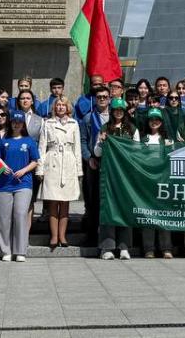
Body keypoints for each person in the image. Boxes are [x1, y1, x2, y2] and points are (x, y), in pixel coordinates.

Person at [38, 96, 80, 250]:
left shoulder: (73, 123)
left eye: (63, 105)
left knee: (65, 202)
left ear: (68, 107)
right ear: (54, 107)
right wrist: (40, 168)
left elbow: (77, 148)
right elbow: (42, 147)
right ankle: (54, 236)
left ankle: (63, 235)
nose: (61, 107)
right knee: (53, 201)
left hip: (68, 162)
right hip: (52, 162)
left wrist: (78, 170)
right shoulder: (48, 123)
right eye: (58, 105)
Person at [94, 99, 135, 260]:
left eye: (121, 110)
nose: (118, 112)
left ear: (125, 112)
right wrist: (101, 141)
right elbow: (97, 152)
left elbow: (138, 151)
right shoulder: (105, 128)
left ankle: (124, 247)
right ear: (112, 111)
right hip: (109, 174)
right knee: (108, 209)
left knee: (125, 209)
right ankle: (107, 247)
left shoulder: (132, 129)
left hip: (126, 175)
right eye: (116, 110)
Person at [0, 111, 40, 262]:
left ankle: (20, 250)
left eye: (19, 122)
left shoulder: (29, 141)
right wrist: (2, 167)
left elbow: (35, 161)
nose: (16, 124)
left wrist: (24, 170)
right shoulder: (3, 140)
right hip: (4, 185)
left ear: (23, 124)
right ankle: (5, 250)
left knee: (21, 215)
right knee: (4, 219)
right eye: (14, 122)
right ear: (10, 123)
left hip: (24, 184)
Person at [138, 108, 176, 259]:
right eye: (152, 119)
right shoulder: (143, 140)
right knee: (148, 215)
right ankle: (149, 248)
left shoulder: (167, 140)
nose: (154, 122)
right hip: (146, 182)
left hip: (163, 182)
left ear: (161, 122)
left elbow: (171, 161)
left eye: (157, 119)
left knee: (163, 215)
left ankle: (166, 248)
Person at [80, 85, 109, 247]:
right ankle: (91, 236)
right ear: (95, 99)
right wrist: (88, 158)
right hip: (93, 163)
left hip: (113, 164)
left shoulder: (116, 116)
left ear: (109, 99)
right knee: (93, 200)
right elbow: (83, 141)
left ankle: (108, 236)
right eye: (99, 97)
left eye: (105, 97)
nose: (102, 99)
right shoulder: (88, 118)